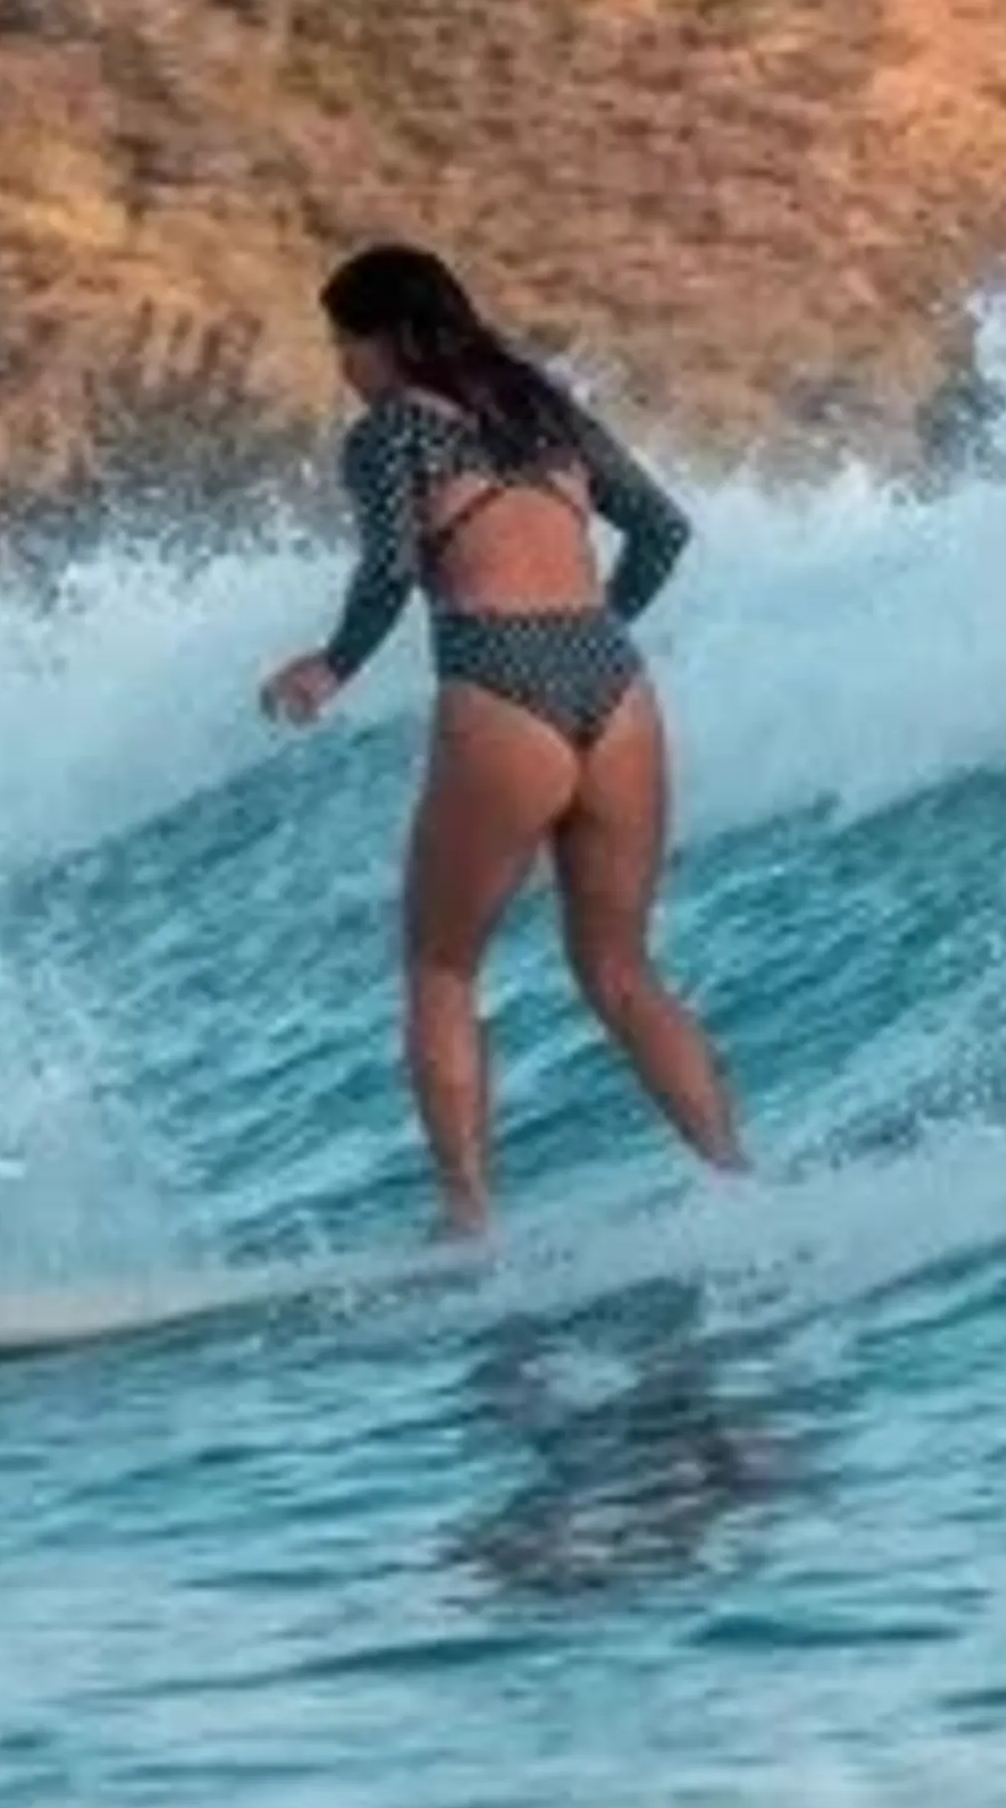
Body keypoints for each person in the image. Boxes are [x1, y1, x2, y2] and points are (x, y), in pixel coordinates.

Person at [259, 242, 744, 1233]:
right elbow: (660, 527)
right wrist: (595, 626)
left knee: (441, 967)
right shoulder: (538, 404)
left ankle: (468, 1224)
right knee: (620, 968)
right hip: (615, 685)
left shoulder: (393, 431)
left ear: (390, 338)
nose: (343, 366)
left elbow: (390, 569)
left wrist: (331, 666)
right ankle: (739, 1179)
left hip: (501, 681)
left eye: (344, 341)